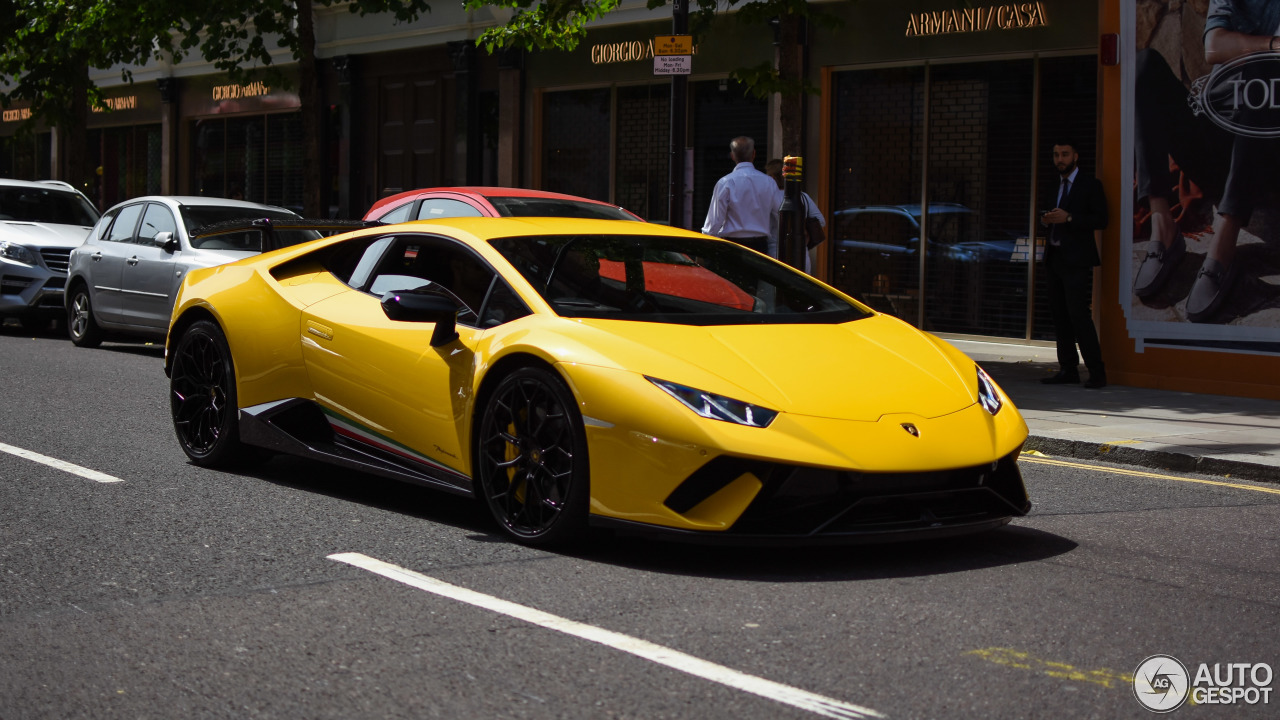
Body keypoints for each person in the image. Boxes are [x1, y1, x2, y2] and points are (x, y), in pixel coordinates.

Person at [1133, 1, 1280, 321]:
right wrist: (1270, 43)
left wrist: (1258, 51)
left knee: (1263, 73)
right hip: (1218, 141)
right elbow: (1213, 46)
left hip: (1267, 153)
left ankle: (1223, 244)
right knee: (1142, 66)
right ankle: (1164, 228)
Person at [1040, 139, 1109, 389]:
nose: (1060, 159)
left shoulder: (1090, 185)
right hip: (1054, 258)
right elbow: (1045, 214)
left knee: (1078, 314)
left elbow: (1101, 219)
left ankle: (1096, 371)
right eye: (1056, 154)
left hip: (1077, 260)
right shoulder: (1052, 186)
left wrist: (1069, 217)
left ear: (1075, 156)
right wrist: (1046, 219)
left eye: (1065, 154)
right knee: (1059, 316)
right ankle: (1067, 369)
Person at [701, 137, 781, 255]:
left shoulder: (725, 182)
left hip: (732, 247)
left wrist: (704, 246)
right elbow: (780, 215)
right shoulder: (769, 182)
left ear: (732, 155)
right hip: (760, 246)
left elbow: (714, 222)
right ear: (754, 154)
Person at [765, 158, 826, 273]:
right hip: (802, 255)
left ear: (772, 177)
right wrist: (804, 230)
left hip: (775, 253)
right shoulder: (803, 196)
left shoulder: (768, 197)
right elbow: (821, 221)